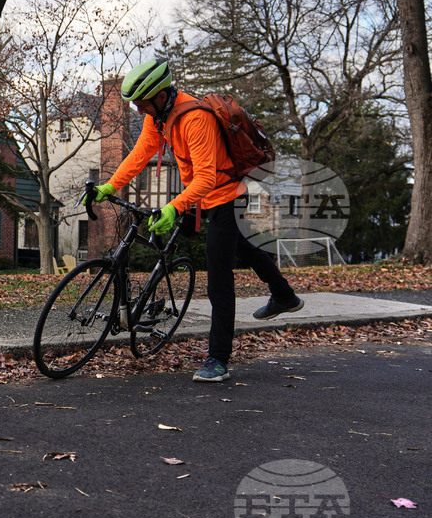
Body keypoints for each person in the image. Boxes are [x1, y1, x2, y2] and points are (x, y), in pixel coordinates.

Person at [92, 58, 303, 382]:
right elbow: (140, 154)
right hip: (203, 196)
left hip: (228, 196)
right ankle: (284, 295)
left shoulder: (194, 119)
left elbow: (206, 177)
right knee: (246, 249)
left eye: (141, 103)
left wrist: (174, 207)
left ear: (160, 95)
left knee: (218, 278)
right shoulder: (158, 117)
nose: (138, 110)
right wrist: (111, 184)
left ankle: (218, 359)